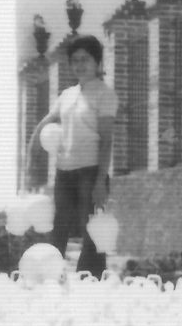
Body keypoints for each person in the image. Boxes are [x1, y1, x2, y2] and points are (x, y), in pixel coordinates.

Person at [27, 34, 118, 278]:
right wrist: (31, 157)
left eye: (85, 59)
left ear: (98, 63)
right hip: (64, 173)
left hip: (90, 172)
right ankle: (49, 279)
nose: (79, 65)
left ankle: (89, 284)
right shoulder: (66, 95)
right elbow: (44, 124)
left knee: (92, 234)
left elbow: (107, 140)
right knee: (59, 230)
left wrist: (100, 182)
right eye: (75, 60)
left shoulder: (104, 95)